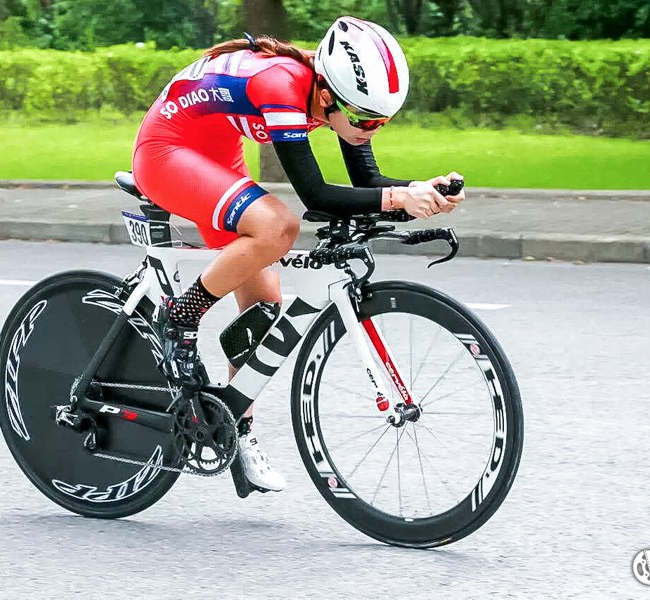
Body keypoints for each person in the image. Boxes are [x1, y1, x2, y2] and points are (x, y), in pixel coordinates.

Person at [130, 16, 465, 492]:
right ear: (328, 97)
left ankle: (235, 432)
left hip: (216, 151)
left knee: (264, 313)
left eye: (383, 121)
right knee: (278, 226)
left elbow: (367, 184)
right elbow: (314, 196)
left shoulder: (335, 93)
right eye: (367, 120)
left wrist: (417, 190)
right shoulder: (281, 87)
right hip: (167, 150)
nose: (372, 130)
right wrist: (398, 201)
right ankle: (180, 314)